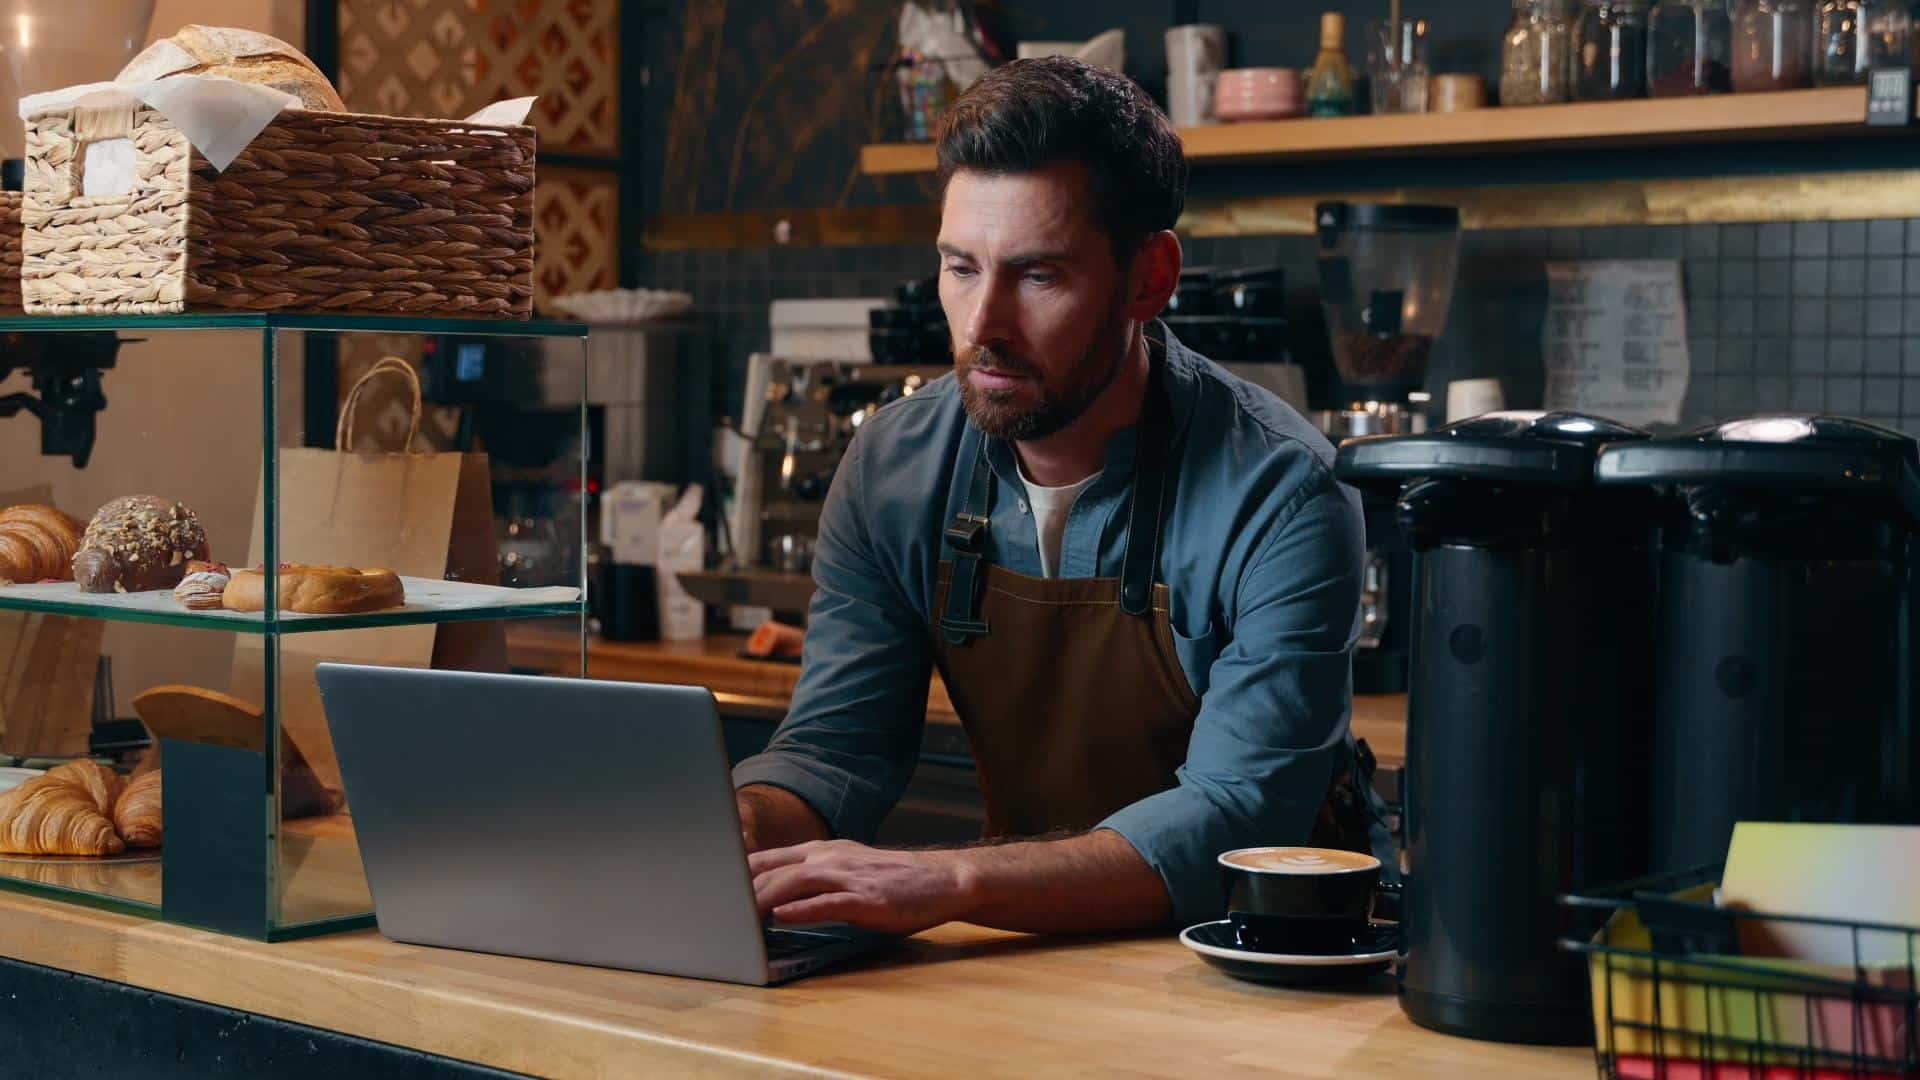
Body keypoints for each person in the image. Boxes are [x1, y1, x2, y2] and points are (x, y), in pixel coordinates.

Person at [732, 56, 1375, 937]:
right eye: (961, 268)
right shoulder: (893, 468)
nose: (983, 325)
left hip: (1258, 958)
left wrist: (952, 879)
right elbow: (833, 752)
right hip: (1024, 943)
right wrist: (734, 825)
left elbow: (1236, 819)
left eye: (1038, 276)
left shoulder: (1282, 493)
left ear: (1150, 278)